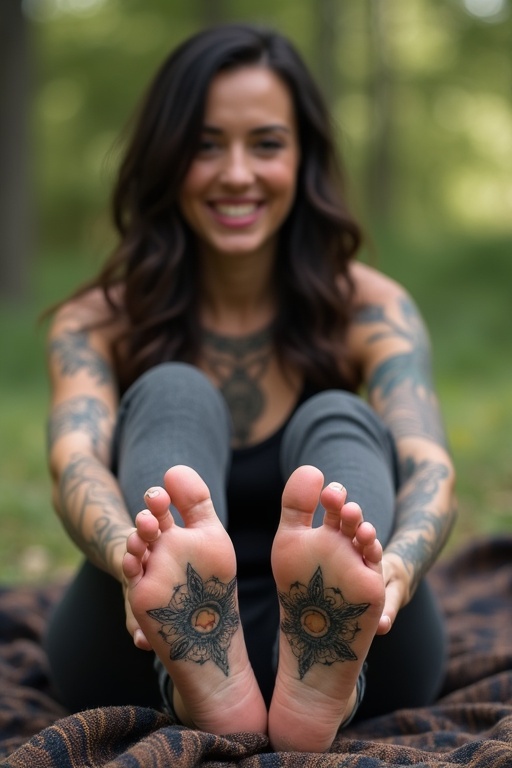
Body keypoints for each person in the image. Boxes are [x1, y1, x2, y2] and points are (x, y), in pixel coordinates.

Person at [44, 22, 456, 753]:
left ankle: (331, 669)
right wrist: (130, 558)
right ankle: (193, 665)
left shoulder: (371, 309)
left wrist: (394, 569)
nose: (237, 173)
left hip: (360, 638)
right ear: (167, 160)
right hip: (144, 644)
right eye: (206, 145)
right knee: (174, 391)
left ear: (303, 158)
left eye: (265, 143)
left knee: (340, 414)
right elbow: (73, 461)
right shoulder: (97, 322)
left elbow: (429, 465)